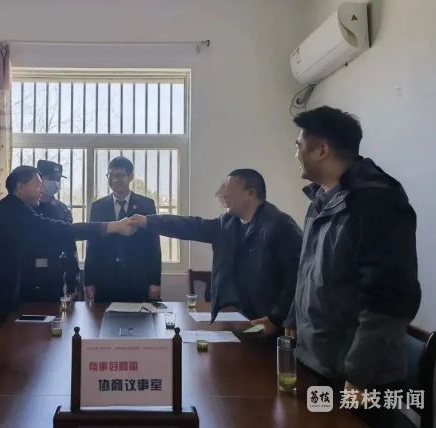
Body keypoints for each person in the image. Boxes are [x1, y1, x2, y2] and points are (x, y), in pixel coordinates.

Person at [285, 106, 421, 427]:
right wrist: (292, 318)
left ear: (321, 150)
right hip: (318, 362)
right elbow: (308, 271)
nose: (296, 153)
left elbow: (389, 300)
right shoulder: (321, 200)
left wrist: (360, 375)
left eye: (299, 145)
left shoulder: (377, 202)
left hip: (357, 378)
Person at [0, 165, 134, 339]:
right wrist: (111, 226)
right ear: (20, 187)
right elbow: (60, 230)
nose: (42, 189)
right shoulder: (12, 213)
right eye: (37, 184)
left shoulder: (13, 208)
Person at [130, 169, 302, 332]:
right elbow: (191, 226)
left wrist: (276, 318)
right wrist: (148, 222)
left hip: (271, 324)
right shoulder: (227, 223)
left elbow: (298, 277)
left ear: (250, 193)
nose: (221, 194)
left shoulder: (280, 226)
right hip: (239, 317)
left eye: (227, 189)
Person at [84, 156, 162, 302]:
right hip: (105, 280)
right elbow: (91, 245)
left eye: (120, 175)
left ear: (130, 176)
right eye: (111, 175)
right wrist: (89, 281)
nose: (114, 180)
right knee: (103, 316)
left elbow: (154, 245)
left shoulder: (146, 205)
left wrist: (155, 281)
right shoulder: (98, 206)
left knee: (139, 316)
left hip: (138, 280)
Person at [21, 160, 80, 302]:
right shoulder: (25, 207)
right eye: (51, 178)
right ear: (39, 179)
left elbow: (70, 246)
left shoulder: (62, 209)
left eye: (58, 179)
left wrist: (73, 283)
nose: (55, 183)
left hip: (55, 276)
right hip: (26, 276)